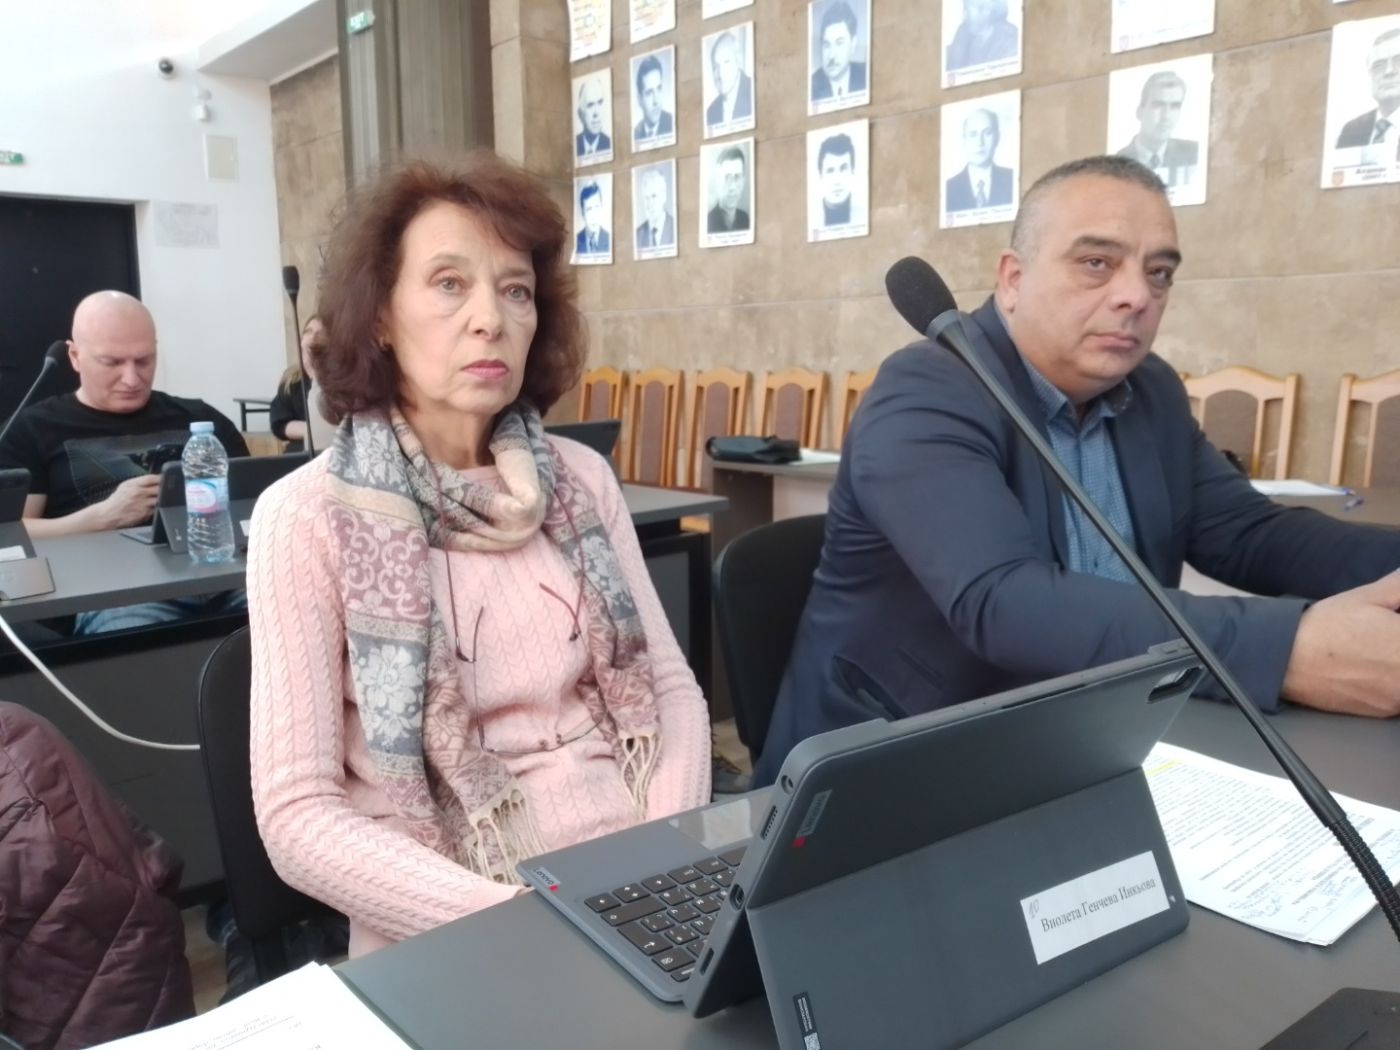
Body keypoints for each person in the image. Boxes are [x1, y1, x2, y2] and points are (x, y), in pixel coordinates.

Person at [756, 155, 1400, 785]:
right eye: (1097, 263)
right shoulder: (925, 390)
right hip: (897, 766)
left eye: (1158, 273)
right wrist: (1286, 650)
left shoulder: (1151, 390)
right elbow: (1003, 601)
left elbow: (1247, 534)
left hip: (1101, 742)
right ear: (1013, 279)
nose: (1136, 296)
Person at [247, 153, 712, 958]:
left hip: (637, 883)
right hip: (457, 921)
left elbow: (669, 691)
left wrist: (661, 865)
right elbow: (298, 816)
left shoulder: (579, 479)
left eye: (515, 290)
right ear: (380, 317)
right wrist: (523, 923)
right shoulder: (308, 515)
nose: (490, 318)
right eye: (449, 283)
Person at [0, 291, 249, 632]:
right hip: (109, 591)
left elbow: (255, 504)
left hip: (218, 575)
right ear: (74, 356)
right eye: (112, 363)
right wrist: (99, 518)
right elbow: (9, 532)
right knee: (137, 633)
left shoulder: (202, 420)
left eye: (144, 361)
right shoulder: (32, 429)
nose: (132, 379)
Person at [1115, 71, 1199, 187]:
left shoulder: (1194, 153)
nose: (1166, 116)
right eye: (1158, 105)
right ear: (1140, 111)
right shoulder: (1117, 162)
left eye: (1174, 107)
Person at [1335, 27, 1400, 149]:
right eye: (1379, 65)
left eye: (1398, 61)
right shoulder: (1351, 130)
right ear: (1370, 73)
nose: (1388, 71)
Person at [269, 315, 324, 452]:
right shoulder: (292, 379)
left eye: (320, 333)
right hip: (298, 450)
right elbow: (280, 422)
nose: (313, 337)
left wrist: (315, 375)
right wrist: (310, 429)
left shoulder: (342, 377)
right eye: (308, 331)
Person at [945, 108, 1014, 211]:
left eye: (987, 133)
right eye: (973, 135)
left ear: (997, 138)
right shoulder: (949, 187)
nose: (980, 142)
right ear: (964, 140)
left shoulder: (1011, 179)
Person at [810, 1, 867, 102]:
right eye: (827, 45)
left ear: (853, 44)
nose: (831, 56)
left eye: (839, 43)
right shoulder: (812, 86)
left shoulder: (865, 74)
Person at [705, 31, 753, 129]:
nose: (720, 74)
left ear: (738, 61)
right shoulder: (710, 112)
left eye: (726, 62)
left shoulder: (754, 91)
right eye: (715, 67)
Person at [816, 132, 857, 226]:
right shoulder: (814, 217)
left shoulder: (862, 213)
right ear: (820, 176)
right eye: (830, 171)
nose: (837, 180)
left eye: (843, 169)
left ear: (852, 171)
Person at [707, 146, 751, 233]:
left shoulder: (746, 219)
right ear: (717, 181)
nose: (732, 187)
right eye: (727, 178)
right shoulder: (708, 222)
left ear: (743, 181)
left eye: (737, 177)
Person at [633, 54, 674, 144]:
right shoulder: (635, 133)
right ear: (639, 99)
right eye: (649, 93)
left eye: (659, 89)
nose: (656, 101)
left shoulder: (672, 123)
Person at [634, 166, 676, 250]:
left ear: (664, 196)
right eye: (646, 198)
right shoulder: (638, 234)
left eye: (654, 196)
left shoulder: (675, 227)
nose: (650, 204)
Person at [574, 77, 611, 160]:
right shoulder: (574, 146)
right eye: (590, 105)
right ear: (580, 114)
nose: (596, 113)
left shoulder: (609, 143)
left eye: (600, 103)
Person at [575, 180, 611, 256]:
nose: (593, 216)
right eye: (589, 209)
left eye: (597, 207)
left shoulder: (609, 239)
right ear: (583, 213)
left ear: (601, 208)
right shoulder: (576, 240)